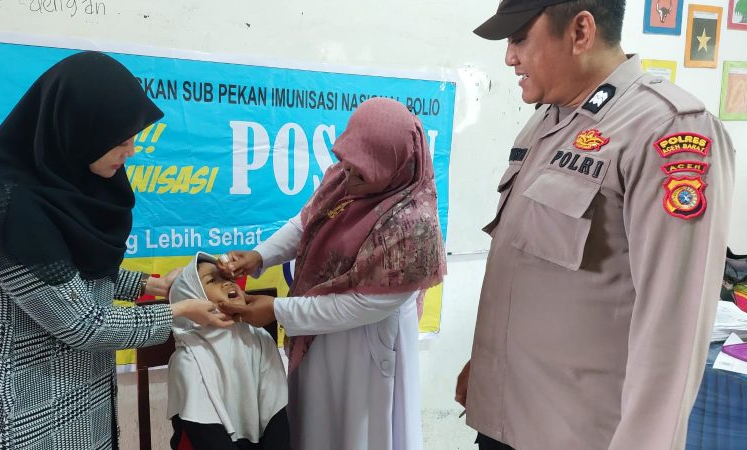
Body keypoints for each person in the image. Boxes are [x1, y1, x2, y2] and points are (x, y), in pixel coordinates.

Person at [455, 1, 736, 449]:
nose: (509, 57)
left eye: (520, 38)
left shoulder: (666, 129)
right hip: (506, 420)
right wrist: (488, 367)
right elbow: (535, 271)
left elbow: (674, 331)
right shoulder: (545, 123)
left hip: (576, 434)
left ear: (580, 31)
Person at [0, 51, 227, 450]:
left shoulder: (70, 180)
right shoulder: (6, 209)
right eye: (121, 141)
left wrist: (152, 284)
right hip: (19, 407)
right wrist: (181, 312)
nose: (130, 151)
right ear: (80, 130)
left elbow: (76, 273)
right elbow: (84, 324)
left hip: (76, 386)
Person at [217, 97, 447, 450]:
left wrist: (276, 311)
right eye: (347, 166)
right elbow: (308, 222)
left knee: (356, 433)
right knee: (315, 426)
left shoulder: (413, 226)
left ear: (393, 167)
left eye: (361, 175)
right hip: (318, 333)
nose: (349, 179)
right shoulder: (347, 174)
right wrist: (259, 256)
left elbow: (357, 306)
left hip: (366, 349)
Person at [166, 252, 290, 450]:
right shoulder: (189, 356)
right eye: (213, 280)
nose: (228, 284)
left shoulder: (260, 338)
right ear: (192, 297)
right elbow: (205, 436)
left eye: (228, 278)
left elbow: (277, 417)